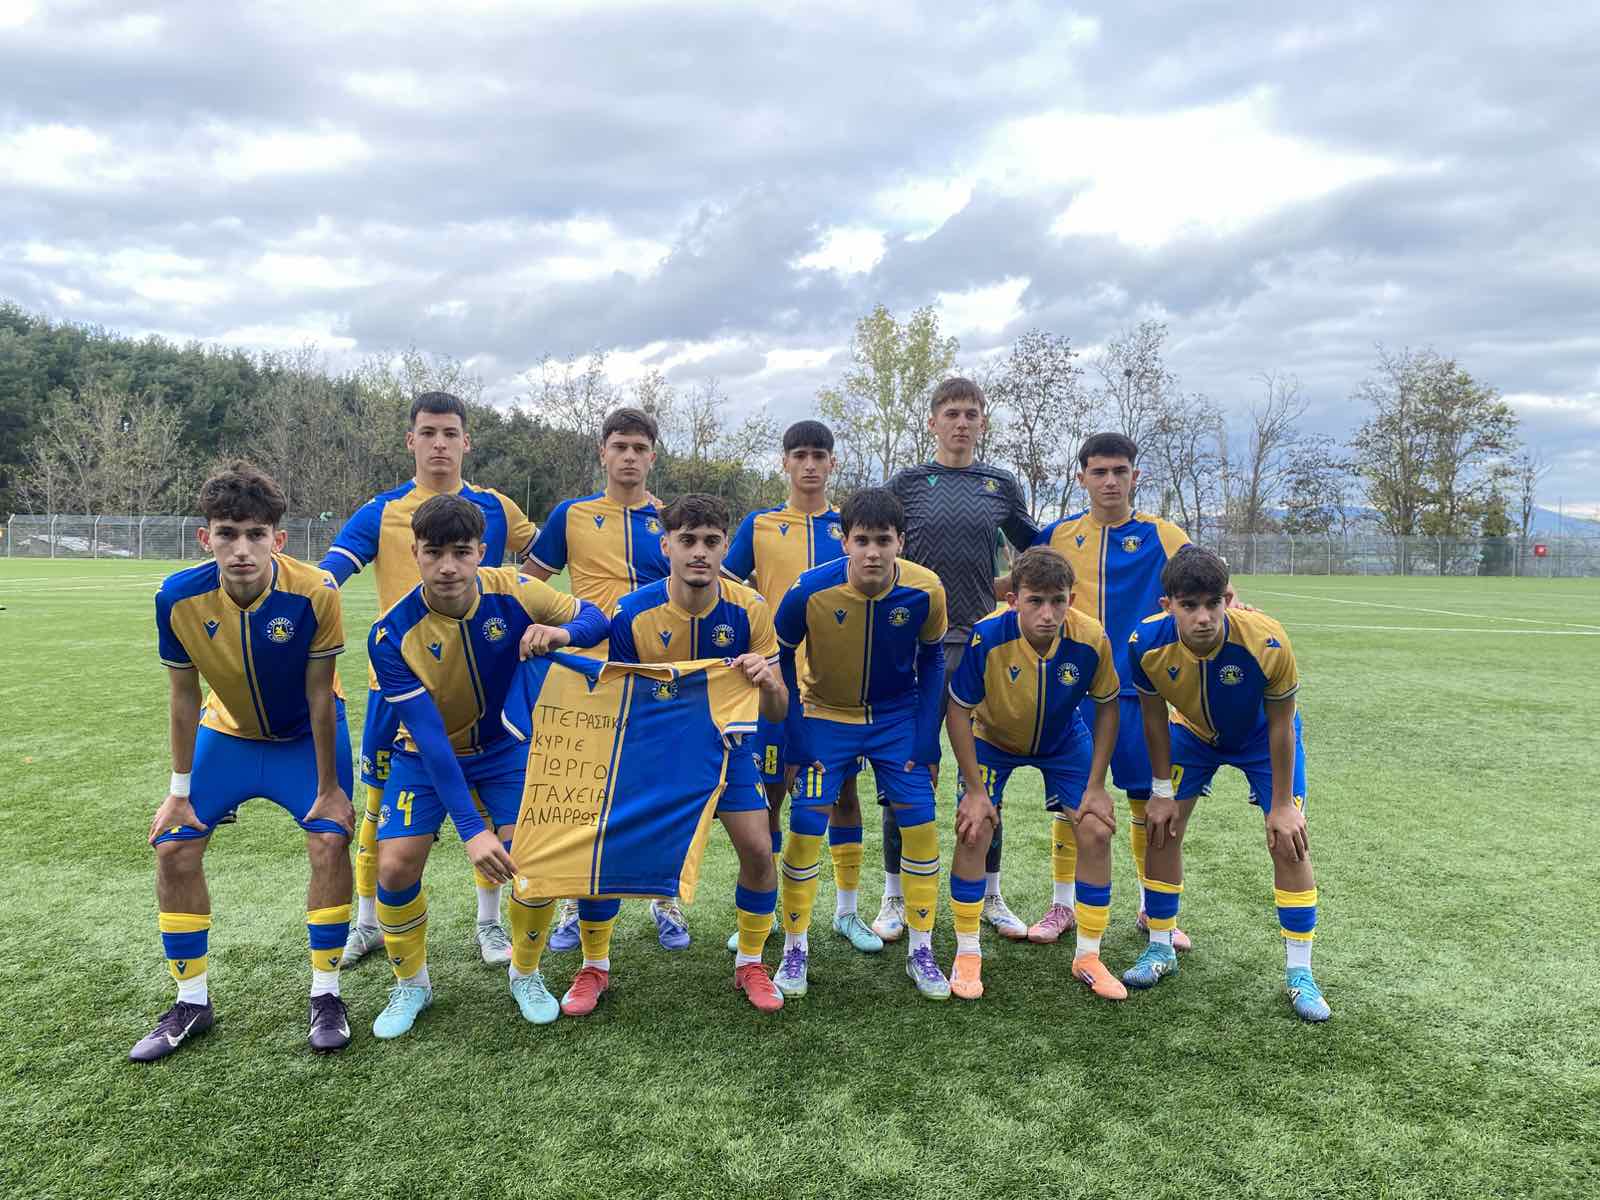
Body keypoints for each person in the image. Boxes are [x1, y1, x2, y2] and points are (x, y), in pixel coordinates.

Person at [133, 463, 356, 1061]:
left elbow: (320, 694)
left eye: (255, 535)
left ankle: (327, 993)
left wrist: (330, 789)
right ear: (205, 538)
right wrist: (179, 790)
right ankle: (191, 1002)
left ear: (277, 540)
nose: (241, 550)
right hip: (227, 735)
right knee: (174, 845)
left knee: (329, 838)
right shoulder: (177, 598)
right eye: (227, 534)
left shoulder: (316, 592)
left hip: (303, 739)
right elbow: (183, 697)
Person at [364, 495, 608, 1037]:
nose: (448, 566)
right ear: (414, 553)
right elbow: (431, 739)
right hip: (423, 758)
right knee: (395, 867)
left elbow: (596, 617)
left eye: (461, 552)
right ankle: (412, 984)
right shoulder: (390, 633)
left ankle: (526, 973)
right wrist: (472, 830)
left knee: (533, 860)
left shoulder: (516, 589)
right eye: (434, 553)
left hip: (505, 750)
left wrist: (561, 633)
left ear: (481, 551)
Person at [319, 391, 540, 969]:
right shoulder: (383, 511)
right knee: (378, 815)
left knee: (491, 809)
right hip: (397, 690)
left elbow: (549, 555)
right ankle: (368, 923)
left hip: (481, 685)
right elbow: (330, 574)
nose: (439, 444)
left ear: (466, 441)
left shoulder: (496, 507)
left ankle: (489, 923)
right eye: (428, 433)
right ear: (410, 441)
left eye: (449, 433)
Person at [589, 494, 789, 1015]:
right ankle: (594, 965)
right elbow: (620, 700)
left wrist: (768, 681)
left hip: (727, 749)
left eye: (711, 541)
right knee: (604, 850)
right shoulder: (632, 613)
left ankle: (751, 962)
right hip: (653, 753)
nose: (699, 551)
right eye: (688, 541)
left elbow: (778, 708)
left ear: (725, 547)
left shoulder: (750, 608)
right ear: (666, 546)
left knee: (759, 851)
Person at [1124, 547, 1329, 1022]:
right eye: (1189, 605)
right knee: (1162, 829)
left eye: (1213, 603)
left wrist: (1282, 805)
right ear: (1167, 605)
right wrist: (1160, 792)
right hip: (1192, 734)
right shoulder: (1145, 643)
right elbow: (1153, 719)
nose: (1203, 617)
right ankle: (1161, 947)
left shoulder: (1267, 640)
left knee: (1289, 841)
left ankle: (1300, 972)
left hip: (1262, 739)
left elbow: (1282, 724)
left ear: (1228, 599)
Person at [772, 488, 950, 1000]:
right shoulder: (808, 591)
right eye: (863, 540)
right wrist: (796, 736)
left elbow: (934, 660)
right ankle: (795, 948)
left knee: (920, 825)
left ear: (901, 542)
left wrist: (927, 740)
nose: (873, 552)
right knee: (806, 825)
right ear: (844, 541)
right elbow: (781, 658)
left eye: (883, 541)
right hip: (826, 715)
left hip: (896, 720)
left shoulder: (926, 589)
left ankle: (921, 949)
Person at [881, 377, 1037, 942]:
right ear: (932, 422)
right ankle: (894, 896)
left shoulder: (999, 484)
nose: (962, 422)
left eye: (971, 413)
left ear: (982, 422)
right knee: (908, 769)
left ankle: (990, 893)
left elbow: (1038, 548)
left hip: (980, 644)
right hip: (915, 645)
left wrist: (1010, 589)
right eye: (951, 413)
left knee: (984, 773)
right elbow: (869, 538)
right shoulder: (907, 484)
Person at [1027, 432, 1197, 950]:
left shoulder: (1164, 535)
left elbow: (1206, 588)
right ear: (1081, 477)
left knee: (1148, 799)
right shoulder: (1056, 536)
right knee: (1072, 801)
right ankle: (1063, 904)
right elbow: (1024, 592)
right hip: (1074, 691)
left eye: (1120, 471)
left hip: (1142, 693)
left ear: (1135, 477)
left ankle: (1151, 905)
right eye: (1099, 472)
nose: (1109, 481)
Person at [720, 420, 879, 954]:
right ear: (784, 462)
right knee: (768, 795)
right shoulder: (761, 524)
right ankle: (763, 911)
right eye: (800, 455)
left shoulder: (850, 527)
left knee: (843, 795)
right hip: (773, 685)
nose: (810, 465)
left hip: (836, 689)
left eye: (819, 455)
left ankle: (847, 911)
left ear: (833, 463)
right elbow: (727, 590)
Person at [943, 548, 1127, 1001]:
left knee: (1096, 828)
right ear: (1013, 600)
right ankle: (967, 952)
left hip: (1063, 741)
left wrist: (1097, 786)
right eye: (1035, 601)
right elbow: (958, 711)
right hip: (992, 739)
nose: (1048, 614)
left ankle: (1088, 956)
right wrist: (974, 790)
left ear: (1071, 599)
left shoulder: (1091, 638)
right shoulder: (987, 636)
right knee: (974, 828)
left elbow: (1108, 707)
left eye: (1058, 601)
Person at [523, 406, 675, 951]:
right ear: (603, 452)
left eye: (639, 448)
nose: (629, 457)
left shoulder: (671, 519)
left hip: (654, 673)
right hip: (586, 672)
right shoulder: (572, 514)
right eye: (620, 447)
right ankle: (573, 901)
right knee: (581, 792)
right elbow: (528, 582)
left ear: (652, 456)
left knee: (659, 788)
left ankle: (665, 898)